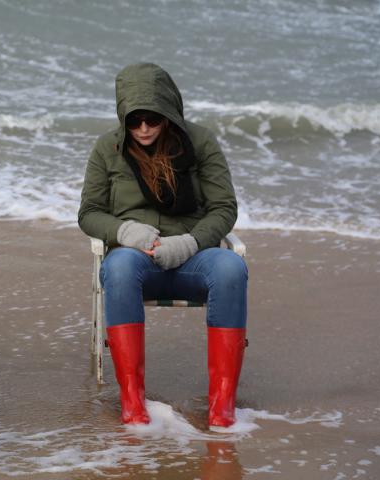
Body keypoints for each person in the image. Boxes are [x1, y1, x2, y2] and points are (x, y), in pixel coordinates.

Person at [78, 63, 247, 428]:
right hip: (136, 261)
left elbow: (224, 208)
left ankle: (223, 408)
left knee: (232, 267)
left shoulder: (200, 142)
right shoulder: (107, 148)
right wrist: (126, 233)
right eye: (134, 120)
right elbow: (89, 213)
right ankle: (133, 403)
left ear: (169, 114)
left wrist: (189, 243)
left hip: (194, 258)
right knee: (119, 267)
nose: (142, 129)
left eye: (152, 120)